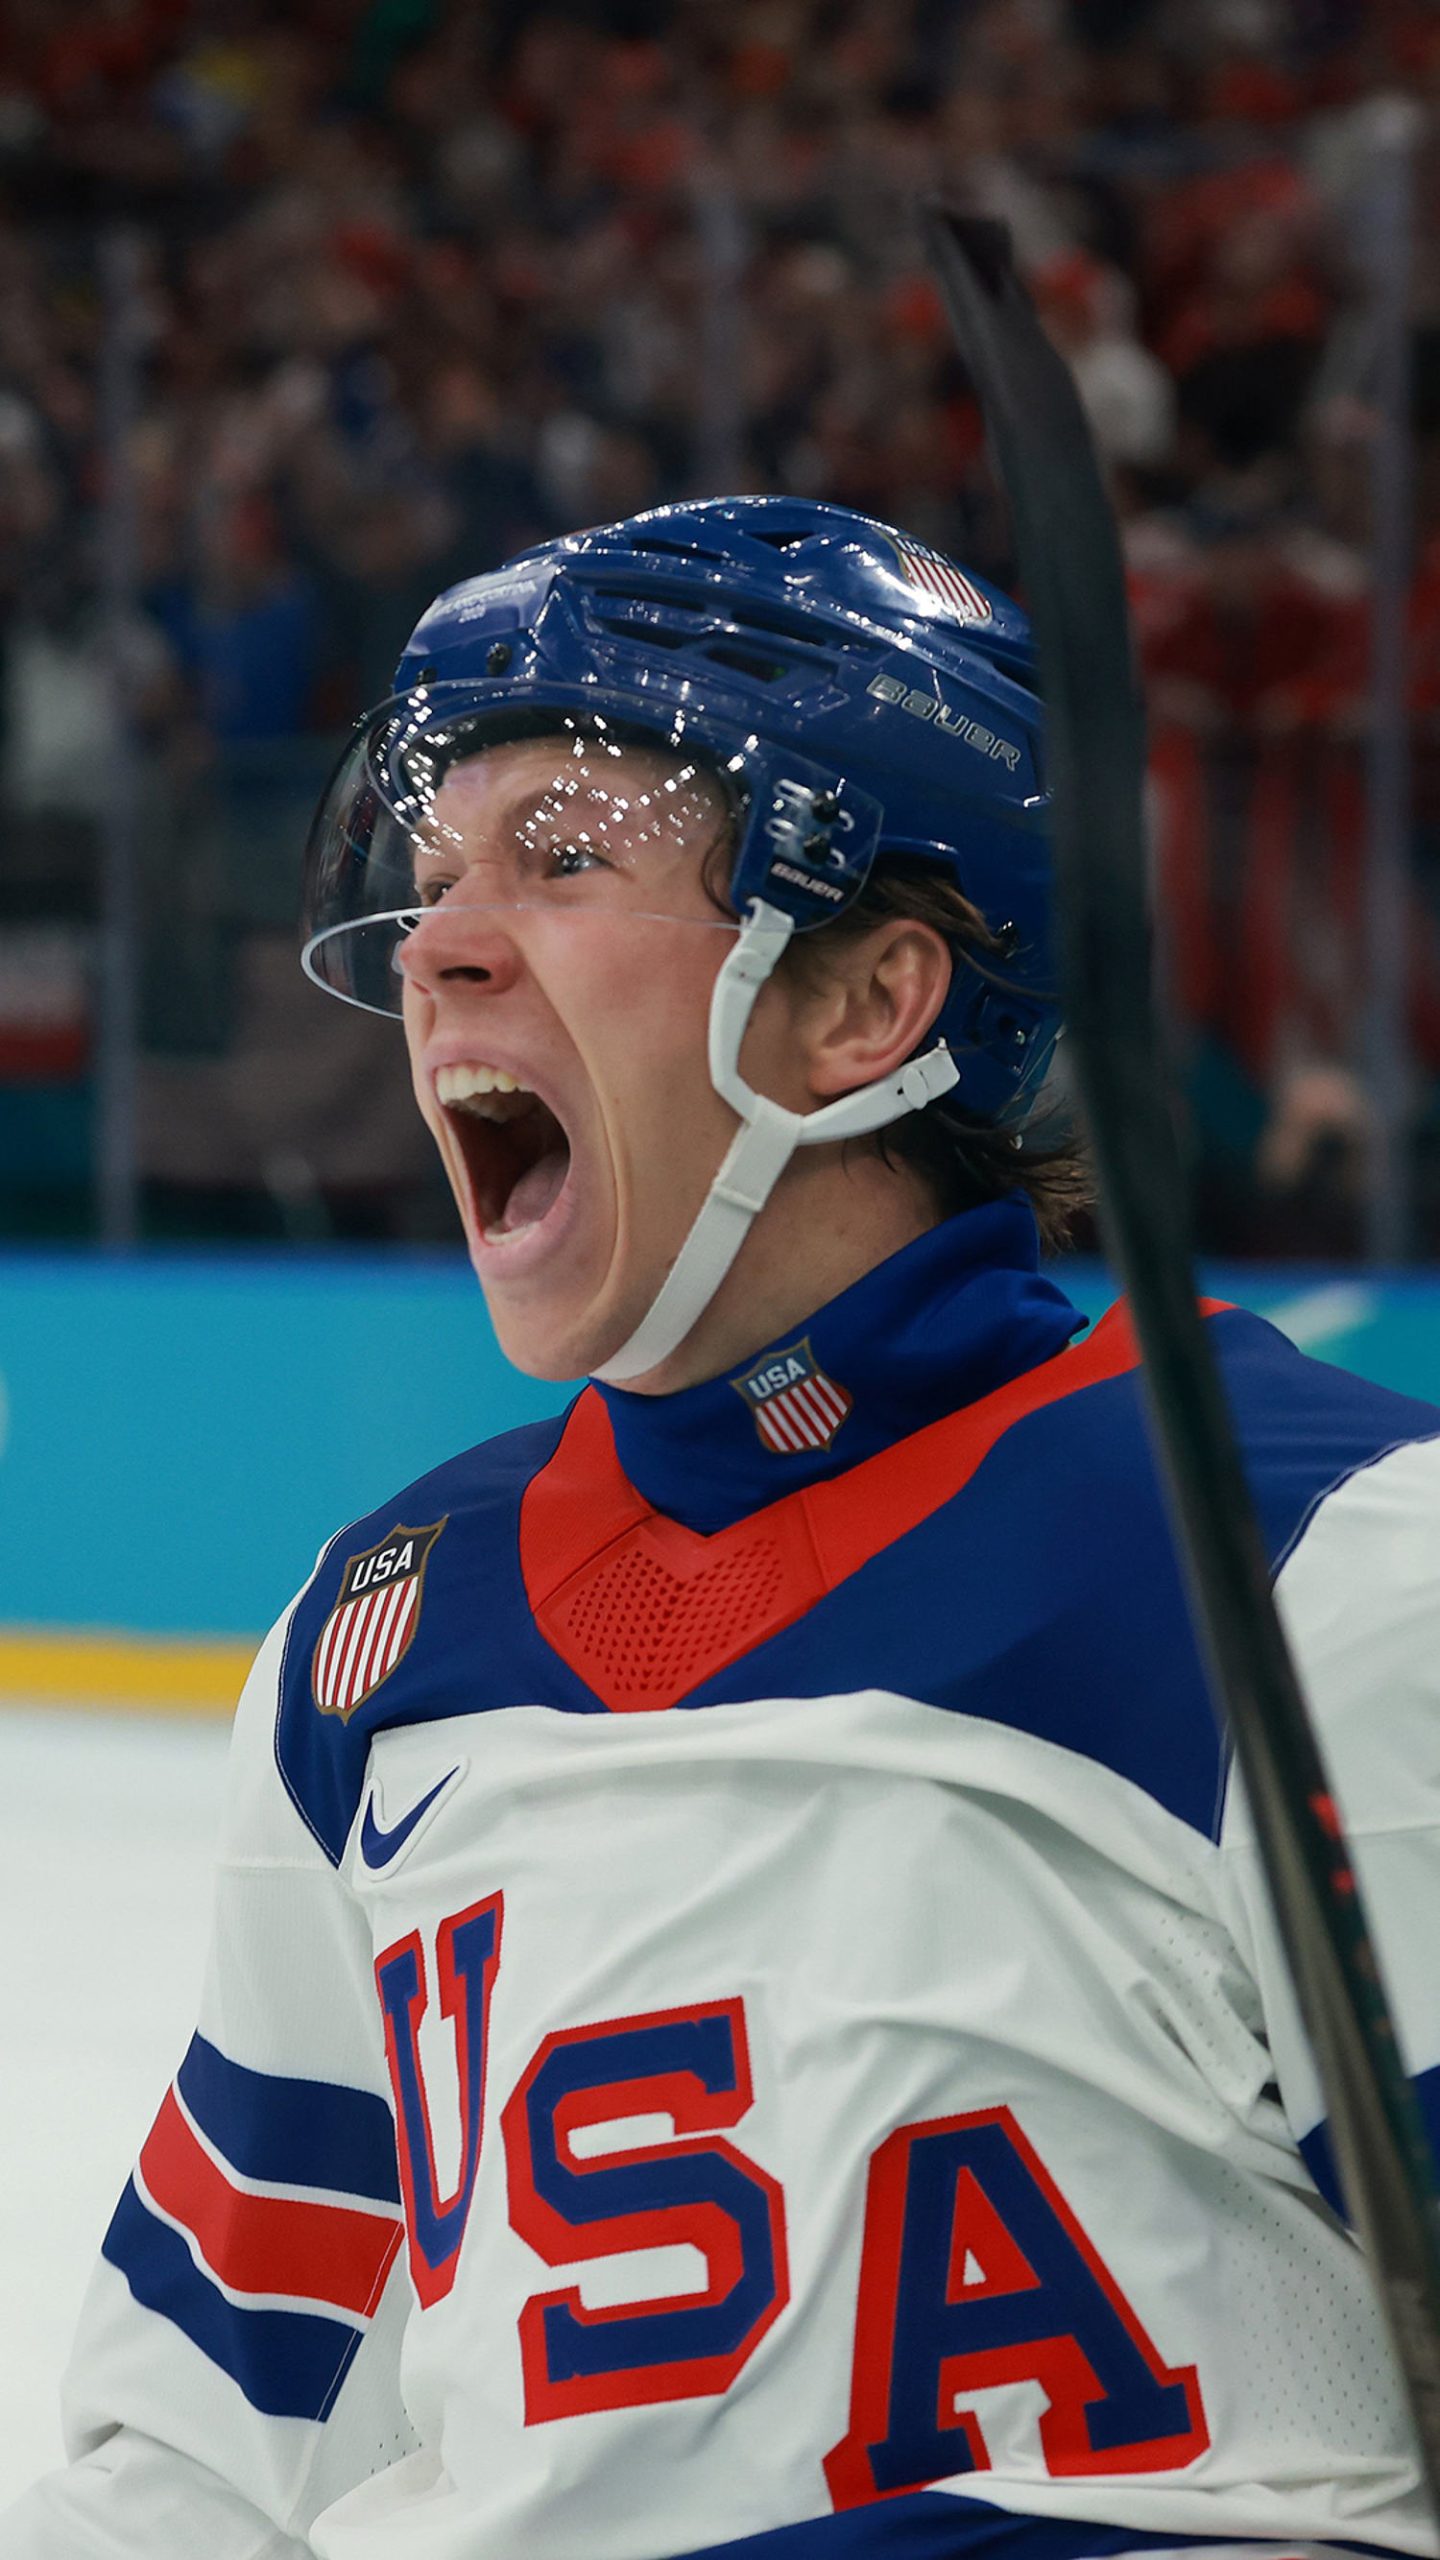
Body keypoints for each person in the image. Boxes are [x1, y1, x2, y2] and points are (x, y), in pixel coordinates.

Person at [8, 498, 1440, 2560]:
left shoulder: (1319, 1559)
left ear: (865, 1007)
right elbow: (193, 2464)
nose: (440, 942)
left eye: (565, 858)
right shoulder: (377, 1645)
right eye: (429, 876)